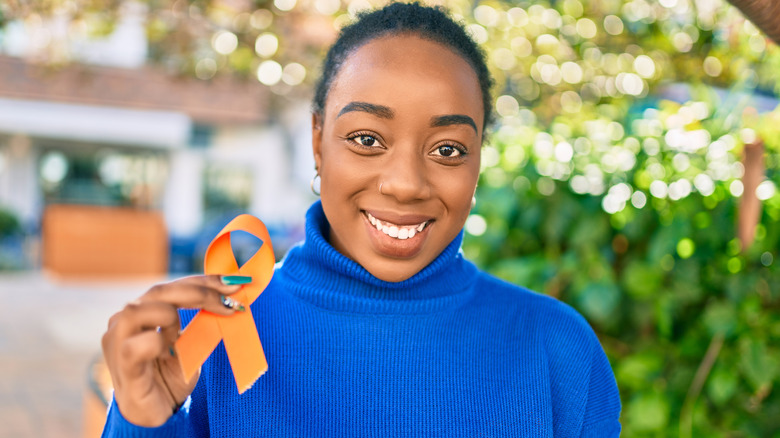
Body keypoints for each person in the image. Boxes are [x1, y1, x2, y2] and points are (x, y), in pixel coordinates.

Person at [100, 2, 622, 436]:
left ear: (478, 162)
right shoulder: (201, 339)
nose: (406, 183)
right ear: (317, 143)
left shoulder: (557, 350)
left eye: (447, 148)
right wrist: (146, 421)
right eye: (367, 139)